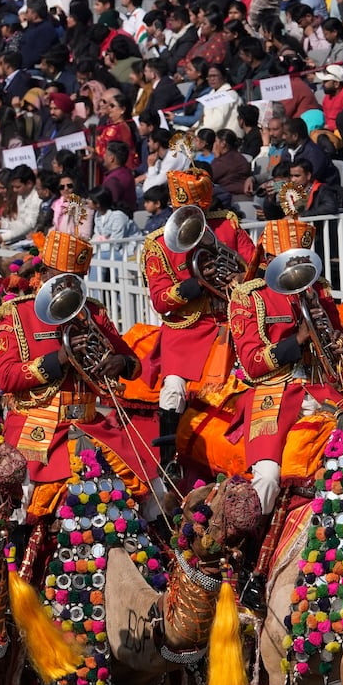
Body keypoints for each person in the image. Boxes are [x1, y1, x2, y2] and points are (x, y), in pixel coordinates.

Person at [0, 227, 154, 490]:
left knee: (145, 485)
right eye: (62, 279)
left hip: (90, 423)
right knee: (30, 501)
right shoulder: (17, 314)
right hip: (39, 424)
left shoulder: (92, 311)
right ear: (43, 274)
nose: (69, 287)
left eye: (76, 279)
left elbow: (134, 365)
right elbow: (6, 377)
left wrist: (120, 363)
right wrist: (59, 359)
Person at [227, 189, 343, 517]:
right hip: (273, 393)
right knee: (267, 476)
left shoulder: (316, 291)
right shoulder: (249, 297)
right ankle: (252, 546)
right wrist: (297, 340)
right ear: (268, 259)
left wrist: (341, 342)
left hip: (318, 388)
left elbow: (335, 332)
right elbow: (254, 364)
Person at [139, 169, 259, 476]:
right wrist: (197, 283)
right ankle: (168, 461)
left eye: (201, 210)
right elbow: (160, 300)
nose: (197, 217)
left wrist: (238, 277)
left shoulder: (227, 224)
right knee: (173, 390)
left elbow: (253, 265)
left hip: (231, 321)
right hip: (186, 329)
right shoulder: (157, 243)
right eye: (187, 211)